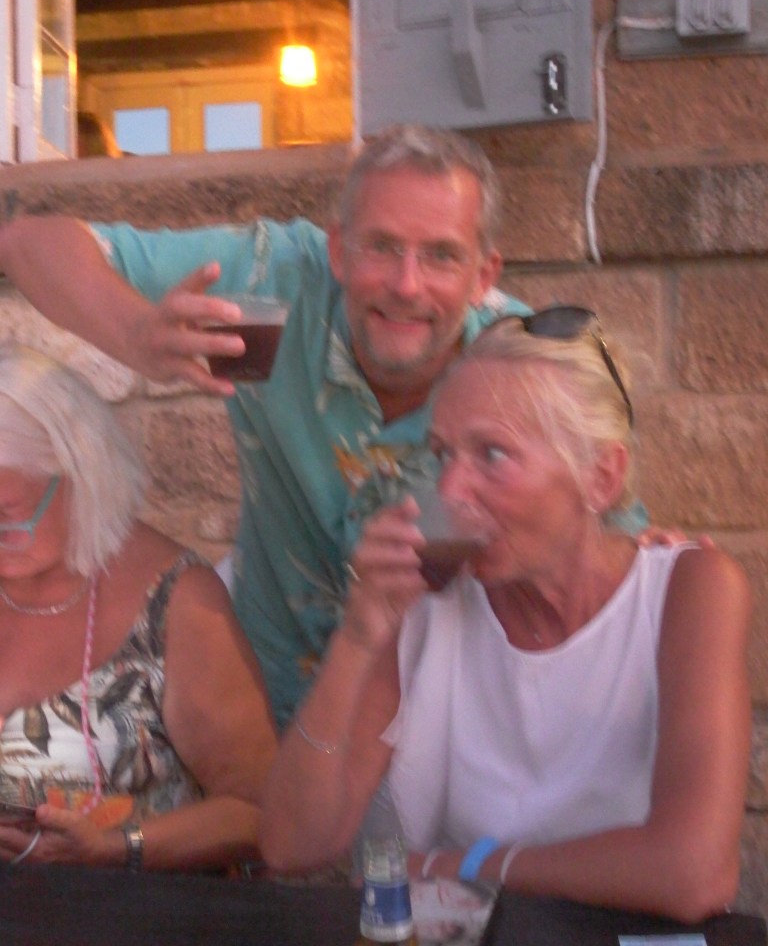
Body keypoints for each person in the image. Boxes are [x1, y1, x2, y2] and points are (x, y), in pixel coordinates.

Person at [0, 125, 644, 727]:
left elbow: (614, 548)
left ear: (483, 278)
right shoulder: (271, 296)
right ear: (338, 251)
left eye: (441, 256)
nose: (406, 284)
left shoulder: (518, 370)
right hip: (266, 700)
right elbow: (27, 243)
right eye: (381, 247)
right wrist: (136, 332)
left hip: (440, 723)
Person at [258, 308, 752, 922]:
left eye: (492, 454)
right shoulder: (425, 604)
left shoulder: (689, 590)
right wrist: (357, 640)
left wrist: (461, 865)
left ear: (601, 479)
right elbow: (291, 846)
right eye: (443, 455)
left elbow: (694, 873)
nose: (450, 492)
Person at [0, 345, 277, 871]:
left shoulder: (177, 601)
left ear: (81, 479)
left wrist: (118, 848)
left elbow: (261, 814)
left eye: (5, 515)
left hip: (130, 908)